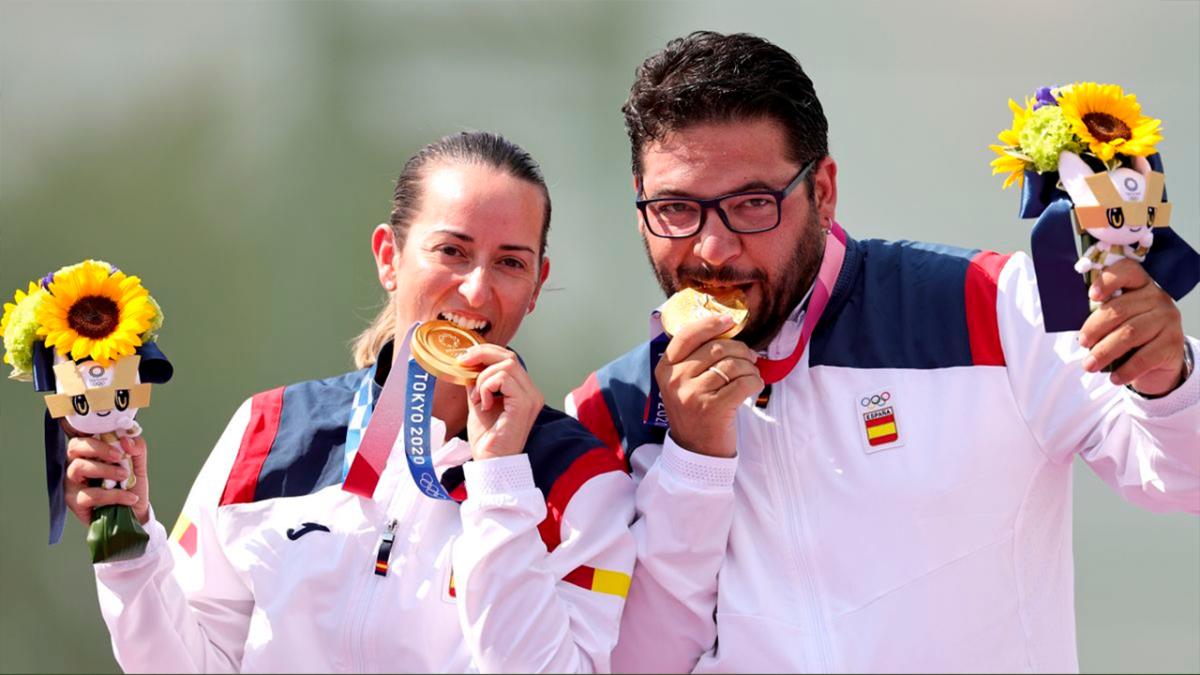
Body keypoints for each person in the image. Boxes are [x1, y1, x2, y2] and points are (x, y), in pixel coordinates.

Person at [566, 32, 1198, 673]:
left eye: (752, 204)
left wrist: (1170, 383)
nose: (712, 249)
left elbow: (1182, 480)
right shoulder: (607, 411)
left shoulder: (990, 306)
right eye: (675, 209)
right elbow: (630, 661)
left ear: (824, 192)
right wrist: (693, 462)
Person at [66, 131, 635, 673]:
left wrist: (501, 485)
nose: (477, 289)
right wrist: (130, 547)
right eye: (452, 251)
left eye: (510, 262)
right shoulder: (267, 431)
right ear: (390, 257)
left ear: (537, 284)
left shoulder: (583, 484)